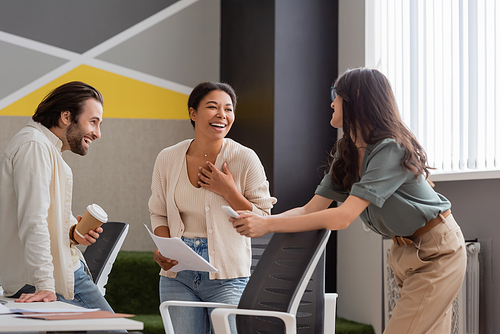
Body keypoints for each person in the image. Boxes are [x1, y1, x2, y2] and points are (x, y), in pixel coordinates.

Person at [231, 68, 467, 334]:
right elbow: (310, 209)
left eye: (336, 94)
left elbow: (343, 217)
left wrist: (268, 226)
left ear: (355, 97)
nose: (331, 102)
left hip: (436, 250)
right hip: (404, 252)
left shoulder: (390, 148)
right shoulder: (348, 154)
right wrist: (262, 222)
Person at [149, 82, 276, 334]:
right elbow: (159, 211)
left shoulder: (245, 158)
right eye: (212, 107)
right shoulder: (167, 157)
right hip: (178, 274)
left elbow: (264, 218)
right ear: (193, 113)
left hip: (227, 275)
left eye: (228, 109)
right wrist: (163, 249)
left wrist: (228, 190)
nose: (222, 115)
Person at [0, 81, 114, 312]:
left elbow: (43, 217)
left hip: (52, 277)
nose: (98, 133)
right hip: (46, 281)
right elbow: (33, 221)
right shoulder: (34, 146)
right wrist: (44, 285)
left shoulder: (45, 148)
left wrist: (72, 233)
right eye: (93, 122)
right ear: (65, 117)